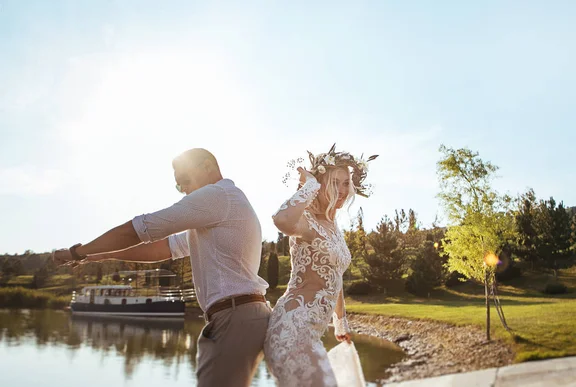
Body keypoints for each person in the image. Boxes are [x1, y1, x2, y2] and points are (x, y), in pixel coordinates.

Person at [52, 148, 271, 387]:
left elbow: (139, 228)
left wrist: (77, 251)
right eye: (179, 187)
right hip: (237, 315)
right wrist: (99, 255)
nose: (184, 190)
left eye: (185, 181)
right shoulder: (221, 207)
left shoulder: (217, 196)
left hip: (234, 316)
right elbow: (163, 248)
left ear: (208, 166)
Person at [264, 144, 377, 386]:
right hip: (292, 328)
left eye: (347, 183)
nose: (343, 190)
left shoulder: (333, 227)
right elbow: (281, 220)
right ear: (322, 184)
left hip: (313, 333)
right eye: (335, 183)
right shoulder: (306, 222)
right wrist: (310, 185)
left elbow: (333, 276)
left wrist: (340, 320)